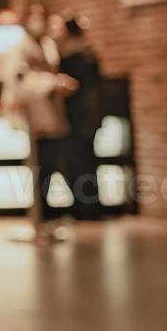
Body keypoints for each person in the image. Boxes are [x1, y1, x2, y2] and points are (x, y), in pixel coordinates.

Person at [1, 3, 80, 244]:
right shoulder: (20, 49)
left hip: (50, 116)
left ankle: (47, 219)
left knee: (51, 166)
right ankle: (38, 220)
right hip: (33, 117)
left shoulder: (48, 46)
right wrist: (52, 83)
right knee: (38, 168)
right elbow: (19, 81)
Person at [55, 15, 103, 221]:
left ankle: (83, 208)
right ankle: (91, 207)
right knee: (87, 160)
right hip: (90, 114)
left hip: (77, 115)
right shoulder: (89, 52)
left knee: (77, 161)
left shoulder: (70, 57)